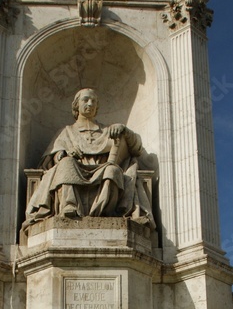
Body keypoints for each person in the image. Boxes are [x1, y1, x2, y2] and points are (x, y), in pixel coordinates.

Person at [24, 87, 155, 227]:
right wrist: (64, 154)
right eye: (85, 100)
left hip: (102, 170)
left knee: (113, 171)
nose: (90, 104)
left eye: (93, 101)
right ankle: (69, 205)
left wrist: (125, 130)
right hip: (75, 169)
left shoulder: (107, 131)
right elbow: (51, 159)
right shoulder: (66, 132)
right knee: (66, 163)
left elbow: (137, 149)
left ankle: (106, 212)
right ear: (76, 105)